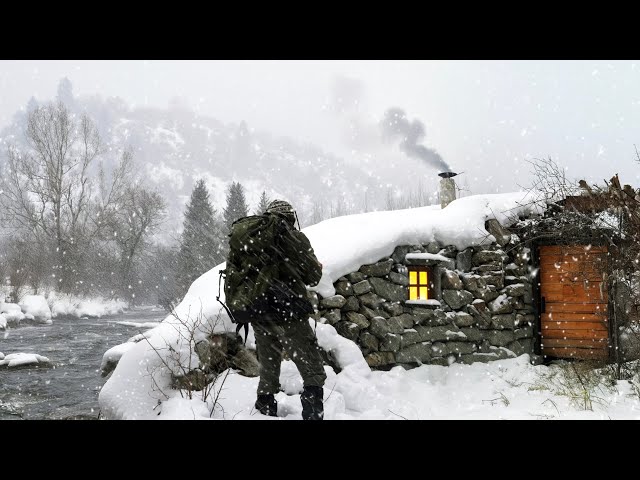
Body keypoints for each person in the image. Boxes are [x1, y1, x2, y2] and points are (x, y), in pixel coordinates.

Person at [247, 199, 326, 420]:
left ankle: (264, 412)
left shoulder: (253, 238)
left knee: (268, 367)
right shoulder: (295, 238)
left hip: (260, 313)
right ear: (291, 218)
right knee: (312, 368)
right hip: (291, 313)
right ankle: (312, 415)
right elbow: (313, 276)